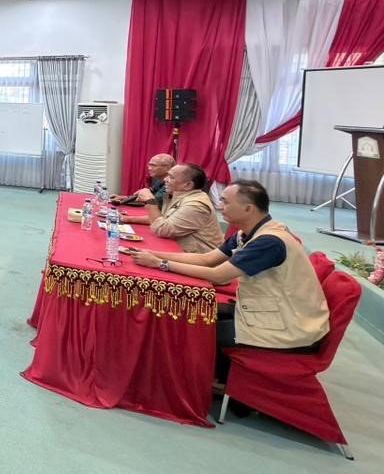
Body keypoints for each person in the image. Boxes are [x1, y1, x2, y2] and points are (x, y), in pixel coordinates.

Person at [128, 179, 329, 382]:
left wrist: (160, 264)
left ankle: (205, 382)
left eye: (225, 202)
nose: (220, 206)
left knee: (194, 328)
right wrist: (151, 253)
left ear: (248, 208)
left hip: (288, 325)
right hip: (265, 308)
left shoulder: (269, 241)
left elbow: (219, 275)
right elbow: (207, 259)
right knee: (189, 310)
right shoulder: (248, 233)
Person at [127, 163, 224, 254]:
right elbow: (162, 219)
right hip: (181, 252)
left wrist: (150, 201)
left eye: (171, 177)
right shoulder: (177, 196)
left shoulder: (196, 205)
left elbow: (162, 229)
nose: (165, 179)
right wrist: (126, 218)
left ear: (188, 185)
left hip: (196, 261)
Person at [112, 153, 176, 223]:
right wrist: (124, 198)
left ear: (168, 168)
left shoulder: (173, 185)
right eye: (149, 165)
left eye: (153, 165)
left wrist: (125, 218)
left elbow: (159, 216)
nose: (149, 168)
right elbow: (146, 197)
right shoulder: (159, 181)